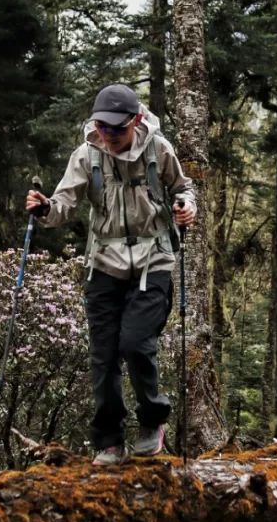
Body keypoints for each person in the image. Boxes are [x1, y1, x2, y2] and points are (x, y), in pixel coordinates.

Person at [26, 84, 196, 465]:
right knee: (102, 355)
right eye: (102, 127)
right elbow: (64, 204)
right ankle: (108, 441)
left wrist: (187, 207)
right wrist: (43, 209)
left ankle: (153, 422)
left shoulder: (158, 149)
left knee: (135, 344)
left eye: (116, 129)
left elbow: (183, 188)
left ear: (135, 121)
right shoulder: (87, 156)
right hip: (103, 263)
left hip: (154, 260)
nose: (108, 135)